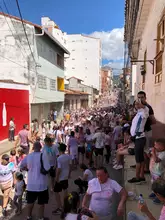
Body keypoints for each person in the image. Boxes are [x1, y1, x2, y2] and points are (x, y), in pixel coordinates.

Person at [20, 142, 50, 220]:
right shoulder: (43, 155)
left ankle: (28, 216)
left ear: (33, 147)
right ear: (40, 147)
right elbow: (47, 168)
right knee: (41, 203)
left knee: (30, 202)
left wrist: (28, 169)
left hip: (30, 184)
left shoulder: (29, 156)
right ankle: (40, 217)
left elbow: (21, 165)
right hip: (41, 184)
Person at [128, 99, 149, 183]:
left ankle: (137, 177)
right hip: (137, 138)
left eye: (137, 104)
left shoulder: (144, 112)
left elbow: (146, 111)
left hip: (139, 138)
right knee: (141, 159)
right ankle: (141, 176)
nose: (136, 105)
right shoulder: (138, 113)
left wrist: (143, 106)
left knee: (138, 160)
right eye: (135, 104)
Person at [53, 143, 72, 215]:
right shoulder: (68, 156)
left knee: (56, 192)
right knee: (65, 190)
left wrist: (56, 178)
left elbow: (59, 169)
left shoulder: (59, 158)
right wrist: (69, 174)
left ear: (59, 149)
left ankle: (59, 207)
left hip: (60, 177)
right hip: (66, 176)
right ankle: (65, 205)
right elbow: (70, 166)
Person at [149, 138, 165, 204]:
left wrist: (153, 152)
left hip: (159, 172)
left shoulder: (163, 154)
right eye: (154, 145)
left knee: (159, 185)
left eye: (156, 145)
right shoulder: (157, 152)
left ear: (162, 146)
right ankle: (155, 193)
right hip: (154, 171)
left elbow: (156, 160)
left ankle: (160, 197)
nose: (155, 147)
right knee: (154, 182)